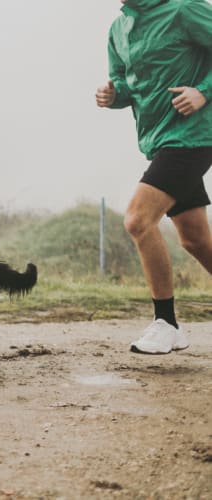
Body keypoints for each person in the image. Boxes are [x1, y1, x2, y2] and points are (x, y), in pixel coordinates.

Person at [96, 0, 212, 354]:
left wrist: (203, 92)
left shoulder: (183, 8)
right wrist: (113, 95)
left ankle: (167, 324)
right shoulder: (119, 29)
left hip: (193, 136)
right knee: (193, 239)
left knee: (138, 220)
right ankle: (168, 325)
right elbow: (127, 84)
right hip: (158, 139)